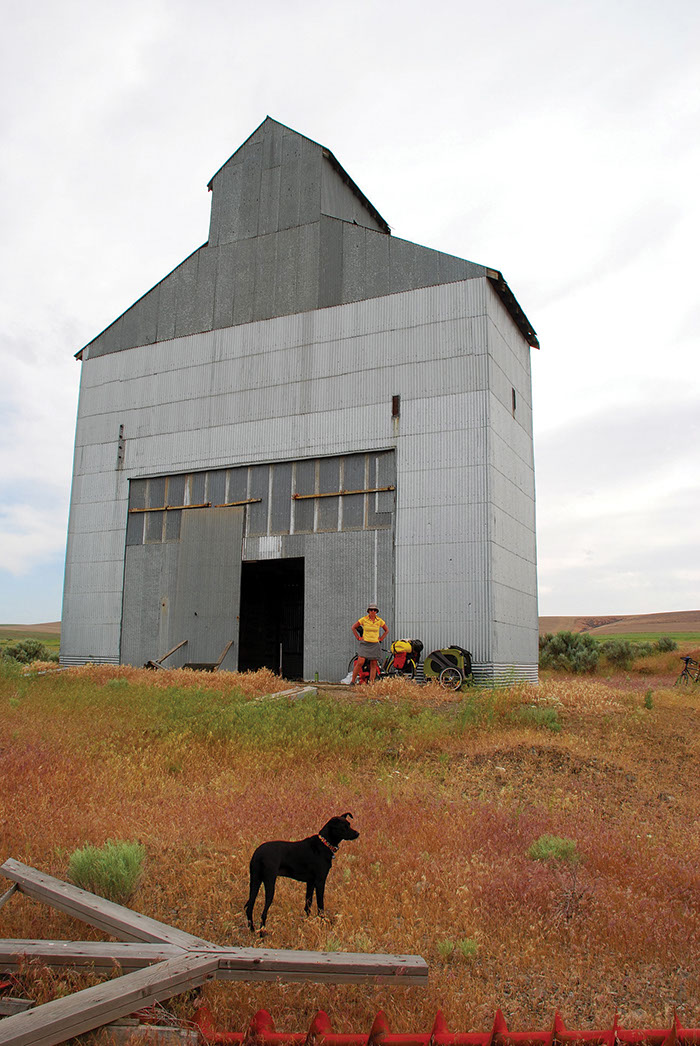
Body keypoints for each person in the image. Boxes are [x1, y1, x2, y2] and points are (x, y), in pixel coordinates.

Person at [351, 603, 388, 684]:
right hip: (365, 643)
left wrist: (381, 638)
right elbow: (353, 627)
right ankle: (353, 681)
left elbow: (386, 630)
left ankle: (371, 683)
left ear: (376, 611)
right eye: (371, 610)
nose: (373, 611)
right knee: (360, 662)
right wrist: (358, 637)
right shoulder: (364, 619)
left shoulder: (379, 621)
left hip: (375, 644)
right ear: (368, 611)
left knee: (373, 663)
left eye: (374, 610)